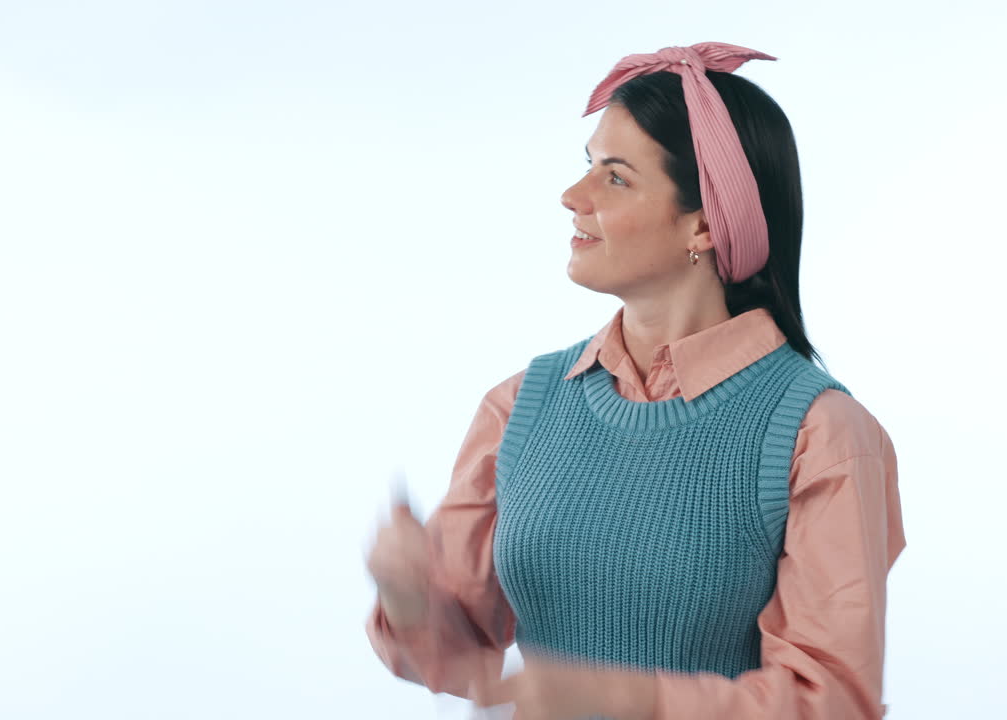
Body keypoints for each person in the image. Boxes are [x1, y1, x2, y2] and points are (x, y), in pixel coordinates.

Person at [364, 42, 906, 720]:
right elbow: (459, 654)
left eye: (614, 178)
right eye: (586, 167)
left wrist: (618, 699)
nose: (572, 197)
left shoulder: (821, 435)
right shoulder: (518, 406)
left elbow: (833, 702)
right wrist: (409, 596)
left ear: (705, 224)